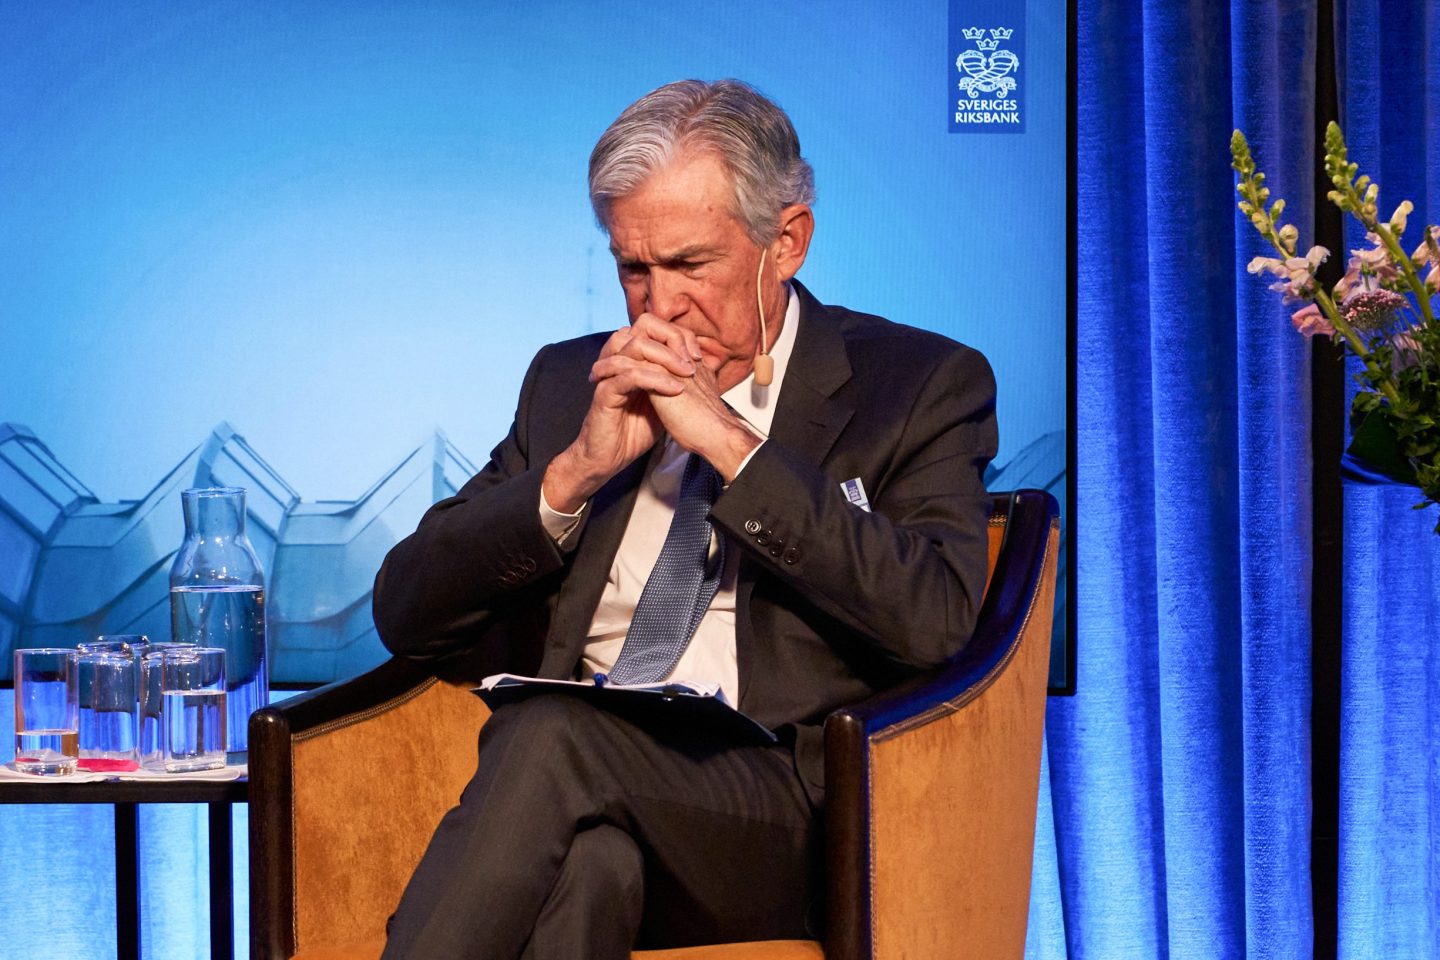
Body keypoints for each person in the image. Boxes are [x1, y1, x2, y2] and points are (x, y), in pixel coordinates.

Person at [373, 78, 998, 960]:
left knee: (552, 734)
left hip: (774, 818)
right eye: (635, 268)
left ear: (786, 242)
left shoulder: (918, 384)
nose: (657, 306)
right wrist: (574, 472)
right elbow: (407, 611)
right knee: (591, 870)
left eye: (691, 265)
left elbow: (935, 621)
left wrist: (736, 449)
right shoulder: (568, 382)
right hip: (577, 805)